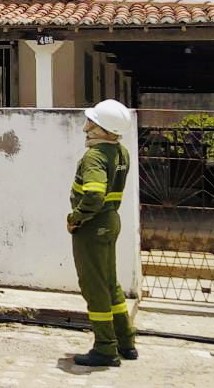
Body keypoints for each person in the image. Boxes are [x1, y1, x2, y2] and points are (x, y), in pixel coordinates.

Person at [67, 99, 137, 368]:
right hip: (111, 220)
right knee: (110, 283)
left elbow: (94, 195)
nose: (87, 126)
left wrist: (76, 217)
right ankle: (126, 341)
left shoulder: (95, 157)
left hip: (93, 226)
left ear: (101, 128)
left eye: (92, 122)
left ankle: (105, 349)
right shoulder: (121, 152)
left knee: (94, 287)